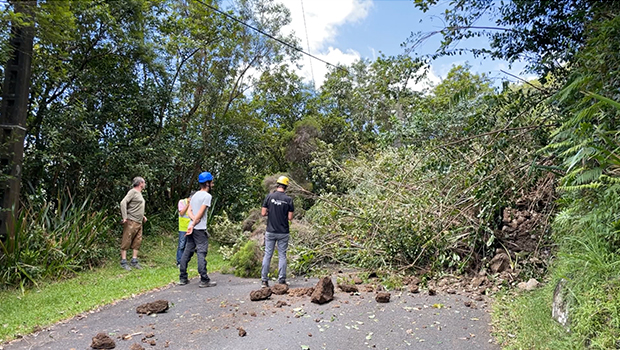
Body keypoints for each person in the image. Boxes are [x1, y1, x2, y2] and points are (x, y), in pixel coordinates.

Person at [178, 172, 217, 288]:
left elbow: (189, 211)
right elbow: (201, 212)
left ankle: (183, 277)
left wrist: (192, 222)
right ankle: (204, 279)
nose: (213, 184)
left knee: (187, 251)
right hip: (199, 229)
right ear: (207, 183)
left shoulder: (194, 195)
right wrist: (196, 221)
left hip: (192, 227)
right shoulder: (207, 197)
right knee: (201, 252)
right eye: (212, 182)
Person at [260, 176, 294, 287]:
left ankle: (264, 281)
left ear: (277, 185)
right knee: (282, 255)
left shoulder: (269, 197)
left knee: (267, 254)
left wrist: (271, 211)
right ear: (286, 186)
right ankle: (281, 280)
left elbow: (263, 213)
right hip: (283, 231)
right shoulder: (289, 200)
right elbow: (290, 217)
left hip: (270, 230)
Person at [120, 176, 147, 271]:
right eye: (144, 182)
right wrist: (125, 217)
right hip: (131, 221)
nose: (144, 184)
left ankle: (134, 260)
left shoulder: (139, 194)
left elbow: (136, 206)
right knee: (126, 240)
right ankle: (123, 261)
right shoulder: (132, 192)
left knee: (137, 241)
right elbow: (123, 203)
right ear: (140, 183)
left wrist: (143, 216)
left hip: (139, 222)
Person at [177, 191, 196, 267]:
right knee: (181, 245)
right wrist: (188, 204)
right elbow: (181, 213)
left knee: (190, 245)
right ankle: (179, 262)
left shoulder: (196, 204)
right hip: (183, 227)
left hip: (191, 227)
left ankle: (185, 261)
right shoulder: (182, 202)